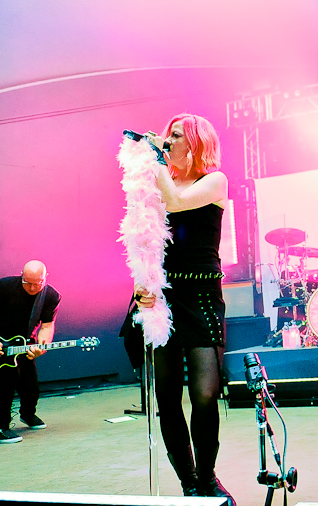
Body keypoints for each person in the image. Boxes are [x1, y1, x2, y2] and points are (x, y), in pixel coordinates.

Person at [134, 113, 236, 504]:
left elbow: (178, 201)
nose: (167, 140)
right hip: (165, 297)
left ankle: (208, 476)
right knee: (166, 397)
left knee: (206, 394)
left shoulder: (215, 181)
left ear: (195, 142)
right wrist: (143, 284)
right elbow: (145, 239)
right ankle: (188, 483)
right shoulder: (160, 185)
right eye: (166, 134)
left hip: (202, 296)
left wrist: (153, 159)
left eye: (175, 136)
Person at [0, 260, 61, 444]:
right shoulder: (5, 286)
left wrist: (42, 346)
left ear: (45, 278)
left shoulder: (51, 296)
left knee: (31, 383)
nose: (32, 288)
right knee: (8, 379)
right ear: (21, 275)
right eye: (27, 282)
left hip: (23, 343)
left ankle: (27, 414)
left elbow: (47, 325)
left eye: (37, 283)